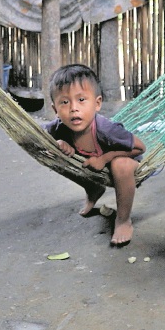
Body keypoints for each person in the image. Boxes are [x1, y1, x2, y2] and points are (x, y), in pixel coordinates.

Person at [43, 64, 146, 247]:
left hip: (126, 161)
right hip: (95, 168)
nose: (74, 108)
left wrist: (105, 158)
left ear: (97, 103)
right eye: (65, 102)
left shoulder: (106, 129)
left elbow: (140, 147)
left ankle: (123, 220)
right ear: (55, 108)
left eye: (81, 99)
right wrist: (59, 144)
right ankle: (93, 188)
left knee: (119, 164)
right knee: (55, 154)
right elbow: (38, 139)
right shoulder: (58, 127)